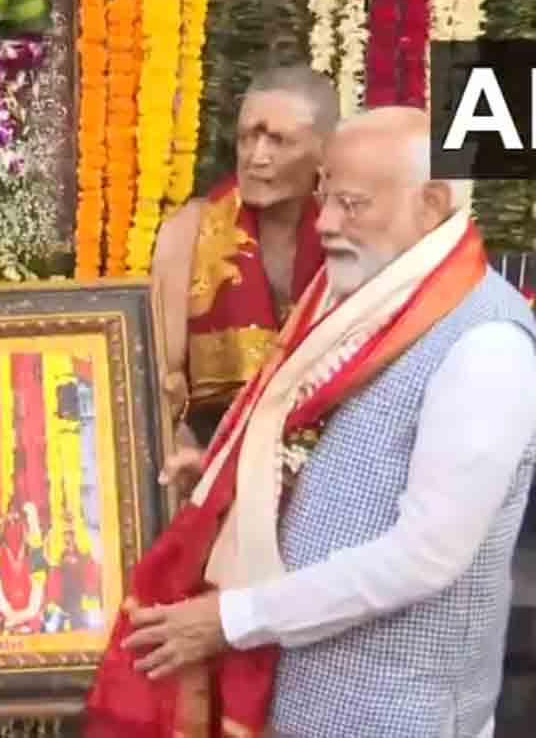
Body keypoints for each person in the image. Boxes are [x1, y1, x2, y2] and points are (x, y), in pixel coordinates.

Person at [84, 107, 536, 737]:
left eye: (351, 204)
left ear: (430, 203)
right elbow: (315, 439)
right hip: (293, 695)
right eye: (326, 194)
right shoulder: (365, 290)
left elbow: (424, 558)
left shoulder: (486, 343)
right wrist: (229, 483)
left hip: (396, 714)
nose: (323, 223)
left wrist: (231, 619)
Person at [151, 64, 336, 455]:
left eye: (278, 141)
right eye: (247, 138)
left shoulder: (348, 235)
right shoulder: (188, 231)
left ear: (326, 151)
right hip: (209, 457)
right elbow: (161, 379)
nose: (256, 156)